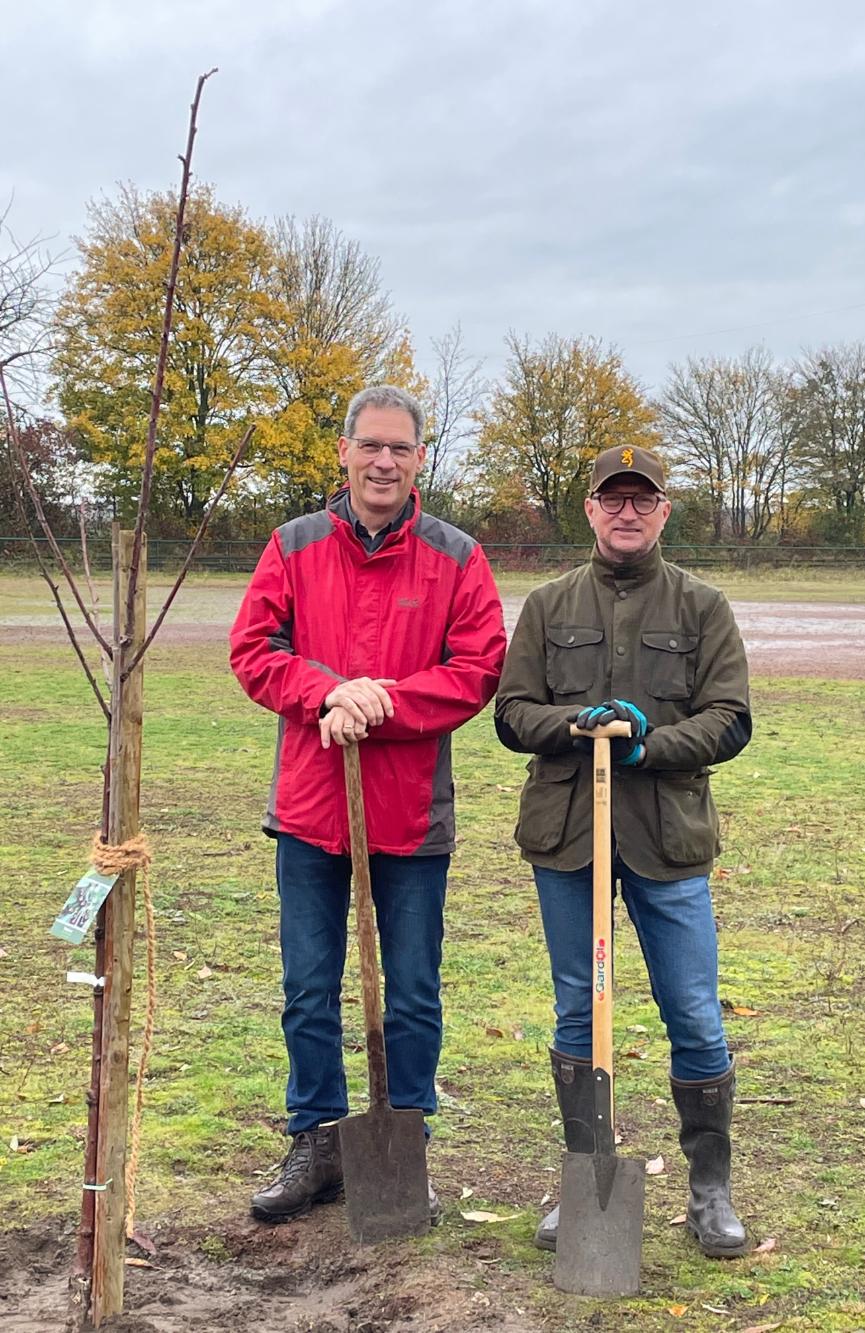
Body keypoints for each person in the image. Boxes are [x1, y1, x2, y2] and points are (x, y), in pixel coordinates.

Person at [231, 384, 506, 1223]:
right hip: (313, 810)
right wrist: (325, 693)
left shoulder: (457, 556)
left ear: (420, 458)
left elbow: (477, 670)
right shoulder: (294, 545)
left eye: (401, 448)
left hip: (412, 816)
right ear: (344, 452)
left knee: (413, 989)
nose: (384, 461)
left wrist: (379, 701)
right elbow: (253, 648)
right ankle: (317, 1137)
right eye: (371, 446)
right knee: (309, 986)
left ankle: (404, 1139)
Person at [494, 444, 752, 1258]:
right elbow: (508, 713)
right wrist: (574, 726)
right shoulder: (546, 603)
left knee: (694, 1013)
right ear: (592, 510)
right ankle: (586, 1175)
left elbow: (731, 718)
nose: (628, 511)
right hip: (568, 836)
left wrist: (651, 744)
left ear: (663, 511)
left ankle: (710, 1190)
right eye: (614, 499)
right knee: (580, 1007)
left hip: (666, 836)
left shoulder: (703, 605)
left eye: (643, 499)